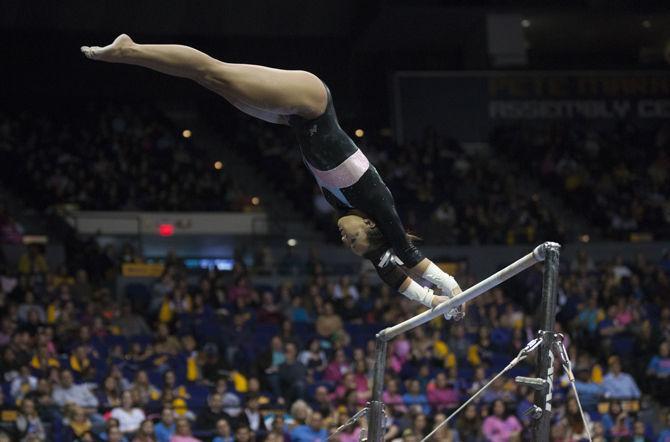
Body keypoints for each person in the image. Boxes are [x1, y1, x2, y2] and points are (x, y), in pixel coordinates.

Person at [81, 34, 465, 319]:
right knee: (213, 70)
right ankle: (129, 50)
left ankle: (132, 52)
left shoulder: (351, 215)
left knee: (208, 79)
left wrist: (432, 304)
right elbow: (411, 258)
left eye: (346, 242)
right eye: (352, 238)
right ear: (369, 224)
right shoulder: (379, 204)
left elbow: (393, 277)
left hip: (294, 119)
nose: (343, 237)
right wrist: (453, 291)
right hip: (314, 104)